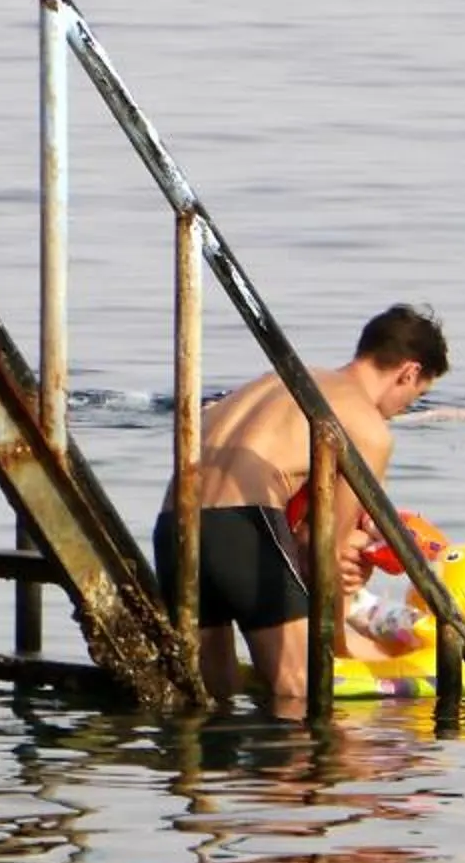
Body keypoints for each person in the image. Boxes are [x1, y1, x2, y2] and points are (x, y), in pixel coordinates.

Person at [155, 305, 449, 714]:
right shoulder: (365, 425)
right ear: (409, 372)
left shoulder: (279, 381)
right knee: (298, 686)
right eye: (415, 397)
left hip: (174, 522)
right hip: (243, 525)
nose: (402, 409)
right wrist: (343, 646)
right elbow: (322, 546)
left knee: (211, 689)